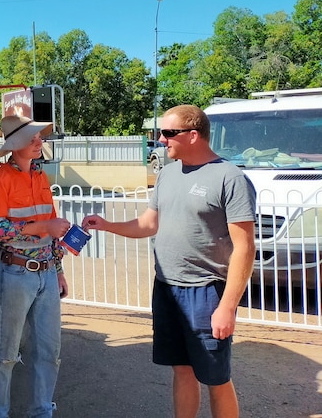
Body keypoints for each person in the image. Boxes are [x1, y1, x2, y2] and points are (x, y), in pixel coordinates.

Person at [83, 105, 256, 418]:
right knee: (182, 371)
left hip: (206, 293)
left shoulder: (229, 178)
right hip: (167, 289)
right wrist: (107, 224)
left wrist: (227, 306)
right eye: (159, 133)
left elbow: (245, 248)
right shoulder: (166, 174)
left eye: (167, 133)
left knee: (215, 378)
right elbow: (149, 224)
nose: (161, 140)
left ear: (193, 135)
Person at [0, 114, 70, 418]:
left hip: (45, 273)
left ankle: (42, 411)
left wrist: (58, 270)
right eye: (32, 139)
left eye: (39, 138)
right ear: (15, 145)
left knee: (50, 353)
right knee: (5, 354)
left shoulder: (40, 177)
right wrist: (44, 225)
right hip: (16, 275)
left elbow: (52, 233)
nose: (39, 142)